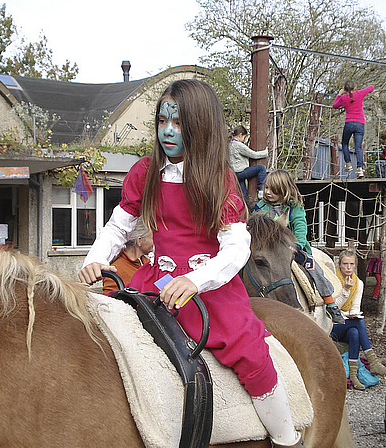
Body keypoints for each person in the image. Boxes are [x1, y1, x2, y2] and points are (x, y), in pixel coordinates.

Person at [79, 79, 305, 447]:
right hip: (156, 281)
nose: (167, 130)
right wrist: (94, 260)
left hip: (209, 289)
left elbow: (236, 247)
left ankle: (285, 438)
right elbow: (119, 225)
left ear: (200, 127)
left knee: (249, 353)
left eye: (179, 122)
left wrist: (196, 280)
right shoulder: (144, 172)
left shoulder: (219, 179)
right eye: (163, 120)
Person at [253, 169, 345, 325]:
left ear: (284, 191)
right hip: (270, 251)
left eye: (273, 190)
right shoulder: (261, 207)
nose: (268, 193)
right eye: (266, 188)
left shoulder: (294, 208)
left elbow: (301, 228)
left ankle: (330, 303)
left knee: (313, 268)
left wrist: (297, 244)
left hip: (292, 249)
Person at [331, 249, 386, 390]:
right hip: (332, 325)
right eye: (345, 264)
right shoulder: (333, 280)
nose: (348, 267)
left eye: (351, 264)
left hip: (347, 323)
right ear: (339, 264)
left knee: (354, 332)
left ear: (355, 265)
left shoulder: (359, 283)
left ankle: (354, 376)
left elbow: (355, 308)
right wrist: (345, 290)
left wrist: (352, 314)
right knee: (358, 322)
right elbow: (332, 309)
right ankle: (372, 360)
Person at [332, 81, 374, 179]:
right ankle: (359, 168)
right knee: (358, 147)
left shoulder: (343, 98)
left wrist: (339, 94)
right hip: (360, 124)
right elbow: (371, 87)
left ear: (345, 89)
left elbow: (334, 105)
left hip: (349, 123)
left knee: (345, 143)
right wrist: (361, 91)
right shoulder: (359, 94)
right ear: (354, 88)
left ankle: (348, 163)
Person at [102, 218, 154, 295]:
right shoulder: (115, 269)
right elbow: (110, 301)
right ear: (139, 241)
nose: (155, 241)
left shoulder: (148, 262)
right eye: (152, 238)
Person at [228, 125, 268, 201]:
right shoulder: (239, 145)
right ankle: (261, 190)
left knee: (243, 196)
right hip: (240, 172)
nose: (244, 140)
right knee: (261, 168)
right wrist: (265, 152)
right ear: (240, 135)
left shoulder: (230, 145)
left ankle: (244, 210)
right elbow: (253, 154)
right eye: (244, 137)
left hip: (234, 174)